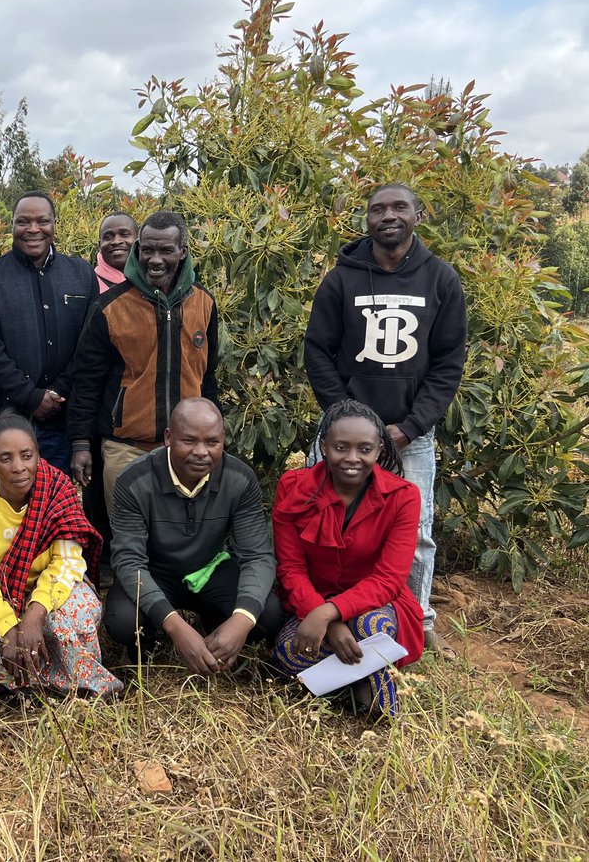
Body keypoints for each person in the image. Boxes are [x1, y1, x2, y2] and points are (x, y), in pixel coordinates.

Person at [304, 183, 467, 660]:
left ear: (418, 214)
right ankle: (320, 612)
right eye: (378, 209)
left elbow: (448, 363)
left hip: (409, 435)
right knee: (324, 522)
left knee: (416, 533)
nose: (387, 215)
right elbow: (317, 351)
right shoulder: (341, 280)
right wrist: (344, 420)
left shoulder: (441, 280)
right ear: (367, 220)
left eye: (399, 207)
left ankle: (419, 621)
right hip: (342, 436)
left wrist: (410, 426)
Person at [0, 412, 123, 705]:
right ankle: (30, 684)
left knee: (74, 616)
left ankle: (70, 684)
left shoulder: (57, 488)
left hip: (49, 590)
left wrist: (35, 613)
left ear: (38, 456)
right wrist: (7, 625)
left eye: (27, 456)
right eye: (6, 458)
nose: (19, 468)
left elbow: (68, 562)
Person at [270, 400, 425, 717]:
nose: (352, 459)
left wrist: (329, 614)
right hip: (310, 600)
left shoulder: (403, 496)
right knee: (289, 654)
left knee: (372, 627)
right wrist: (323, 619)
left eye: (364, 449)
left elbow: (389, 580)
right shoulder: (293, 487)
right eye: (341, 447)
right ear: (324, 446)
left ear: (380, 449)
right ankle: (359, 676)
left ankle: (378, 703)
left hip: (378, 603)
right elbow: (291, 568)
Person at [105, 399, 282, 672]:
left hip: (211, 569)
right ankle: (148, 641)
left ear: (223, 440)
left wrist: (241, 621)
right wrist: (176, 628)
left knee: (267, 613)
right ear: (168, 438)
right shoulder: (134, 481)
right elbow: (129, 561)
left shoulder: (239, 479)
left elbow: (257, 555)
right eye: (188, 441)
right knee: (123, 621)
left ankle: (218, 627)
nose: (201, 452)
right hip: (156, 572)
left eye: (212, 442)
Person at [68, 211, 218, 523]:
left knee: (181, 534)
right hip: (126, 447)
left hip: (187, 446)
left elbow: (208, 376)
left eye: (166, 250)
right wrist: (81, 442)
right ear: (138, 250)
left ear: (183, 252)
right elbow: (87, 380)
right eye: (147, 249)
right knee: (128, 535)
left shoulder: (204, 303)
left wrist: (214, 435)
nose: (155, 260)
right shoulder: (109, 307)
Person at [0, 191, 96, 473]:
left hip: (62, 422)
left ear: (54, 225)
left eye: (42, 221)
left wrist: (59, 390)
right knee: (2, 510)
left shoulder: (82, 273)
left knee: (53, 508)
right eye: (23, 221)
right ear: (12, 225)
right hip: (4, 420)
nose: (33, 229)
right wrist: (31, 397)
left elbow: (89, 344)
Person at [81, 212, 140, 587]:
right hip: (101, 400)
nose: (116, 241)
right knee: (99, 491)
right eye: (108, 235)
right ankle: (101, 563)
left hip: (139, 406)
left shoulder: (153, 281)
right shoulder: (89, 282)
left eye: (125, 234)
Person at [93, 212, 137, 293]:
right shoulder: (89, 285)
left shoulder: (152, 283)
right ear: (100, 246)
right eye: (108, 237)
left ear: (138, 241)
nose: (116, 242)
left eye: (124, 234)